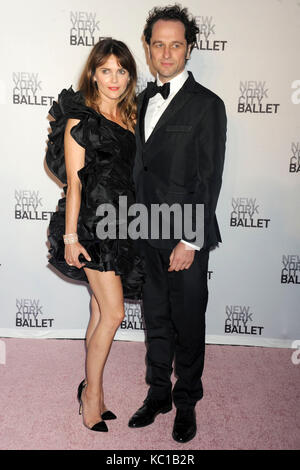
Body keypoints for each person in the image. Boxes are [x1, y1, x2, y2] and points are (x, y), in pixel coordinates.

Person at [128, 5, 227, 443]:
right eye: (158, 44)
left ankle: (186, 402)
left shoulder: (208, 105)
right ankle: (158, 394)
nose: (166, 53)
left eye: (176, 44)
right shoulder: (141, 100)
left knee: (188, 322)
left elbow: (210, 178)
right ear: (148, 50)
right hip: (145, 231)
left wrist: (190, 240)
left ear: (188, 49)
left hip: (185, 235)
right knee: (156, 319)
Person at [46, 38, 144, 432]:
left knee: (100, 310)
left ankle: (93, 389)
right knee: (115, 312)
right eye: (106, 70)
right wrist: (71, 238)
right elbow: (74, 180)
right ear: (93, 73)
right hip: (90, 227)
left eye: (122, 70)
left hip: (123, 224)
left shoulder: (129, 117)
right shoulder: (80, 117)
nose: (114, 78)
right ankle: (91, 396)